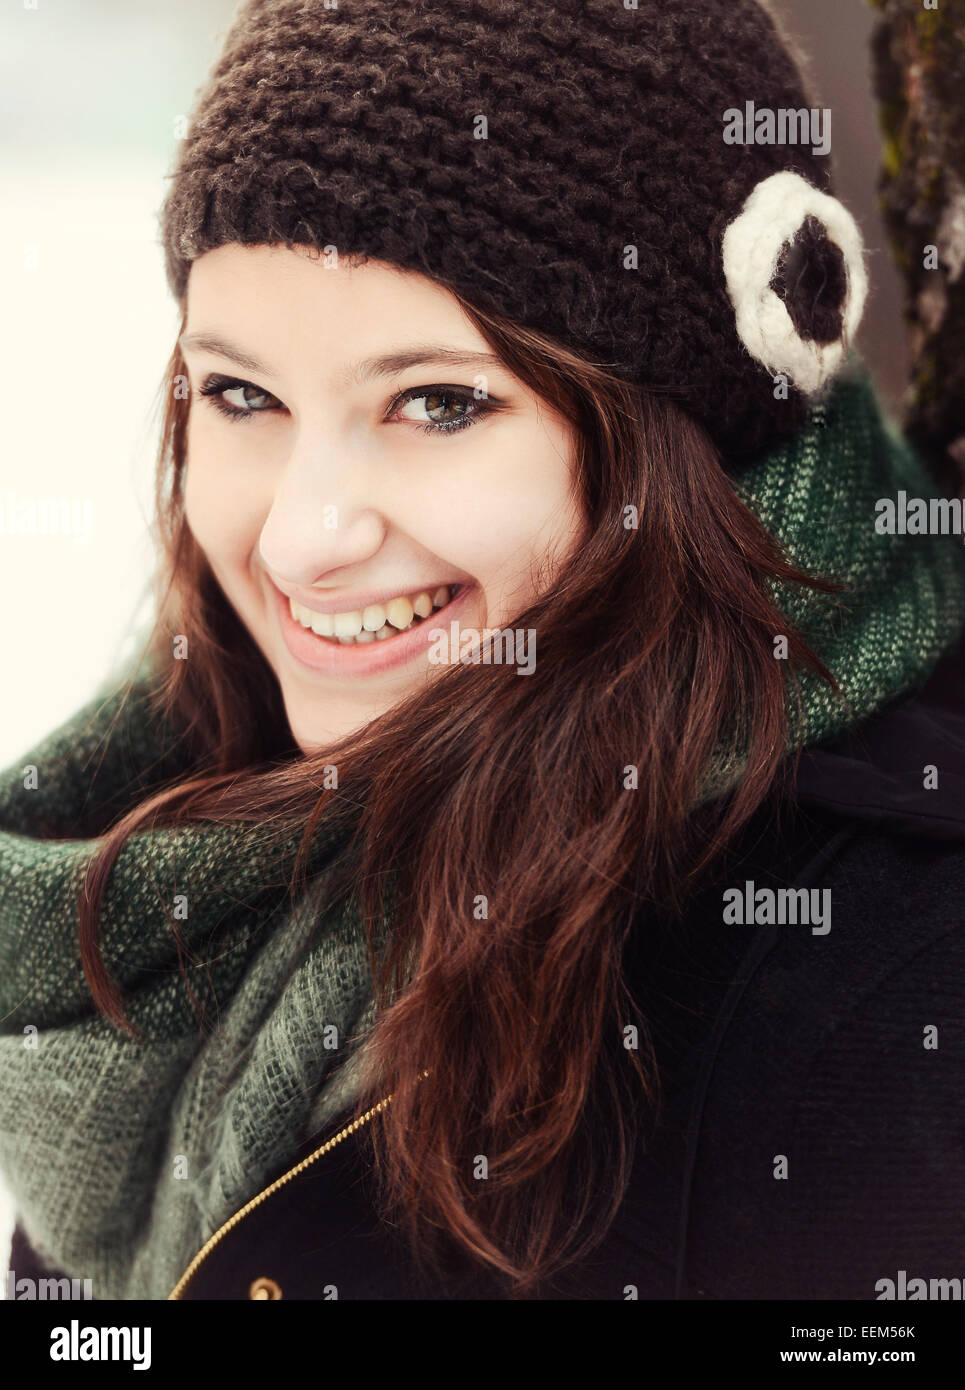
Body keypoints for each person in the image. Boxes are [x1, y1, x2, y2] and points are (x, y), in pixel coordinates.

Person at [2, 0, 965, 1303]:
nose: (300, 539)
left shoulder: (868, 988)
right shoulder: (172, 825)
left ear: (664, 440)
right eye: (242, 393)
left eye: (439, 403)